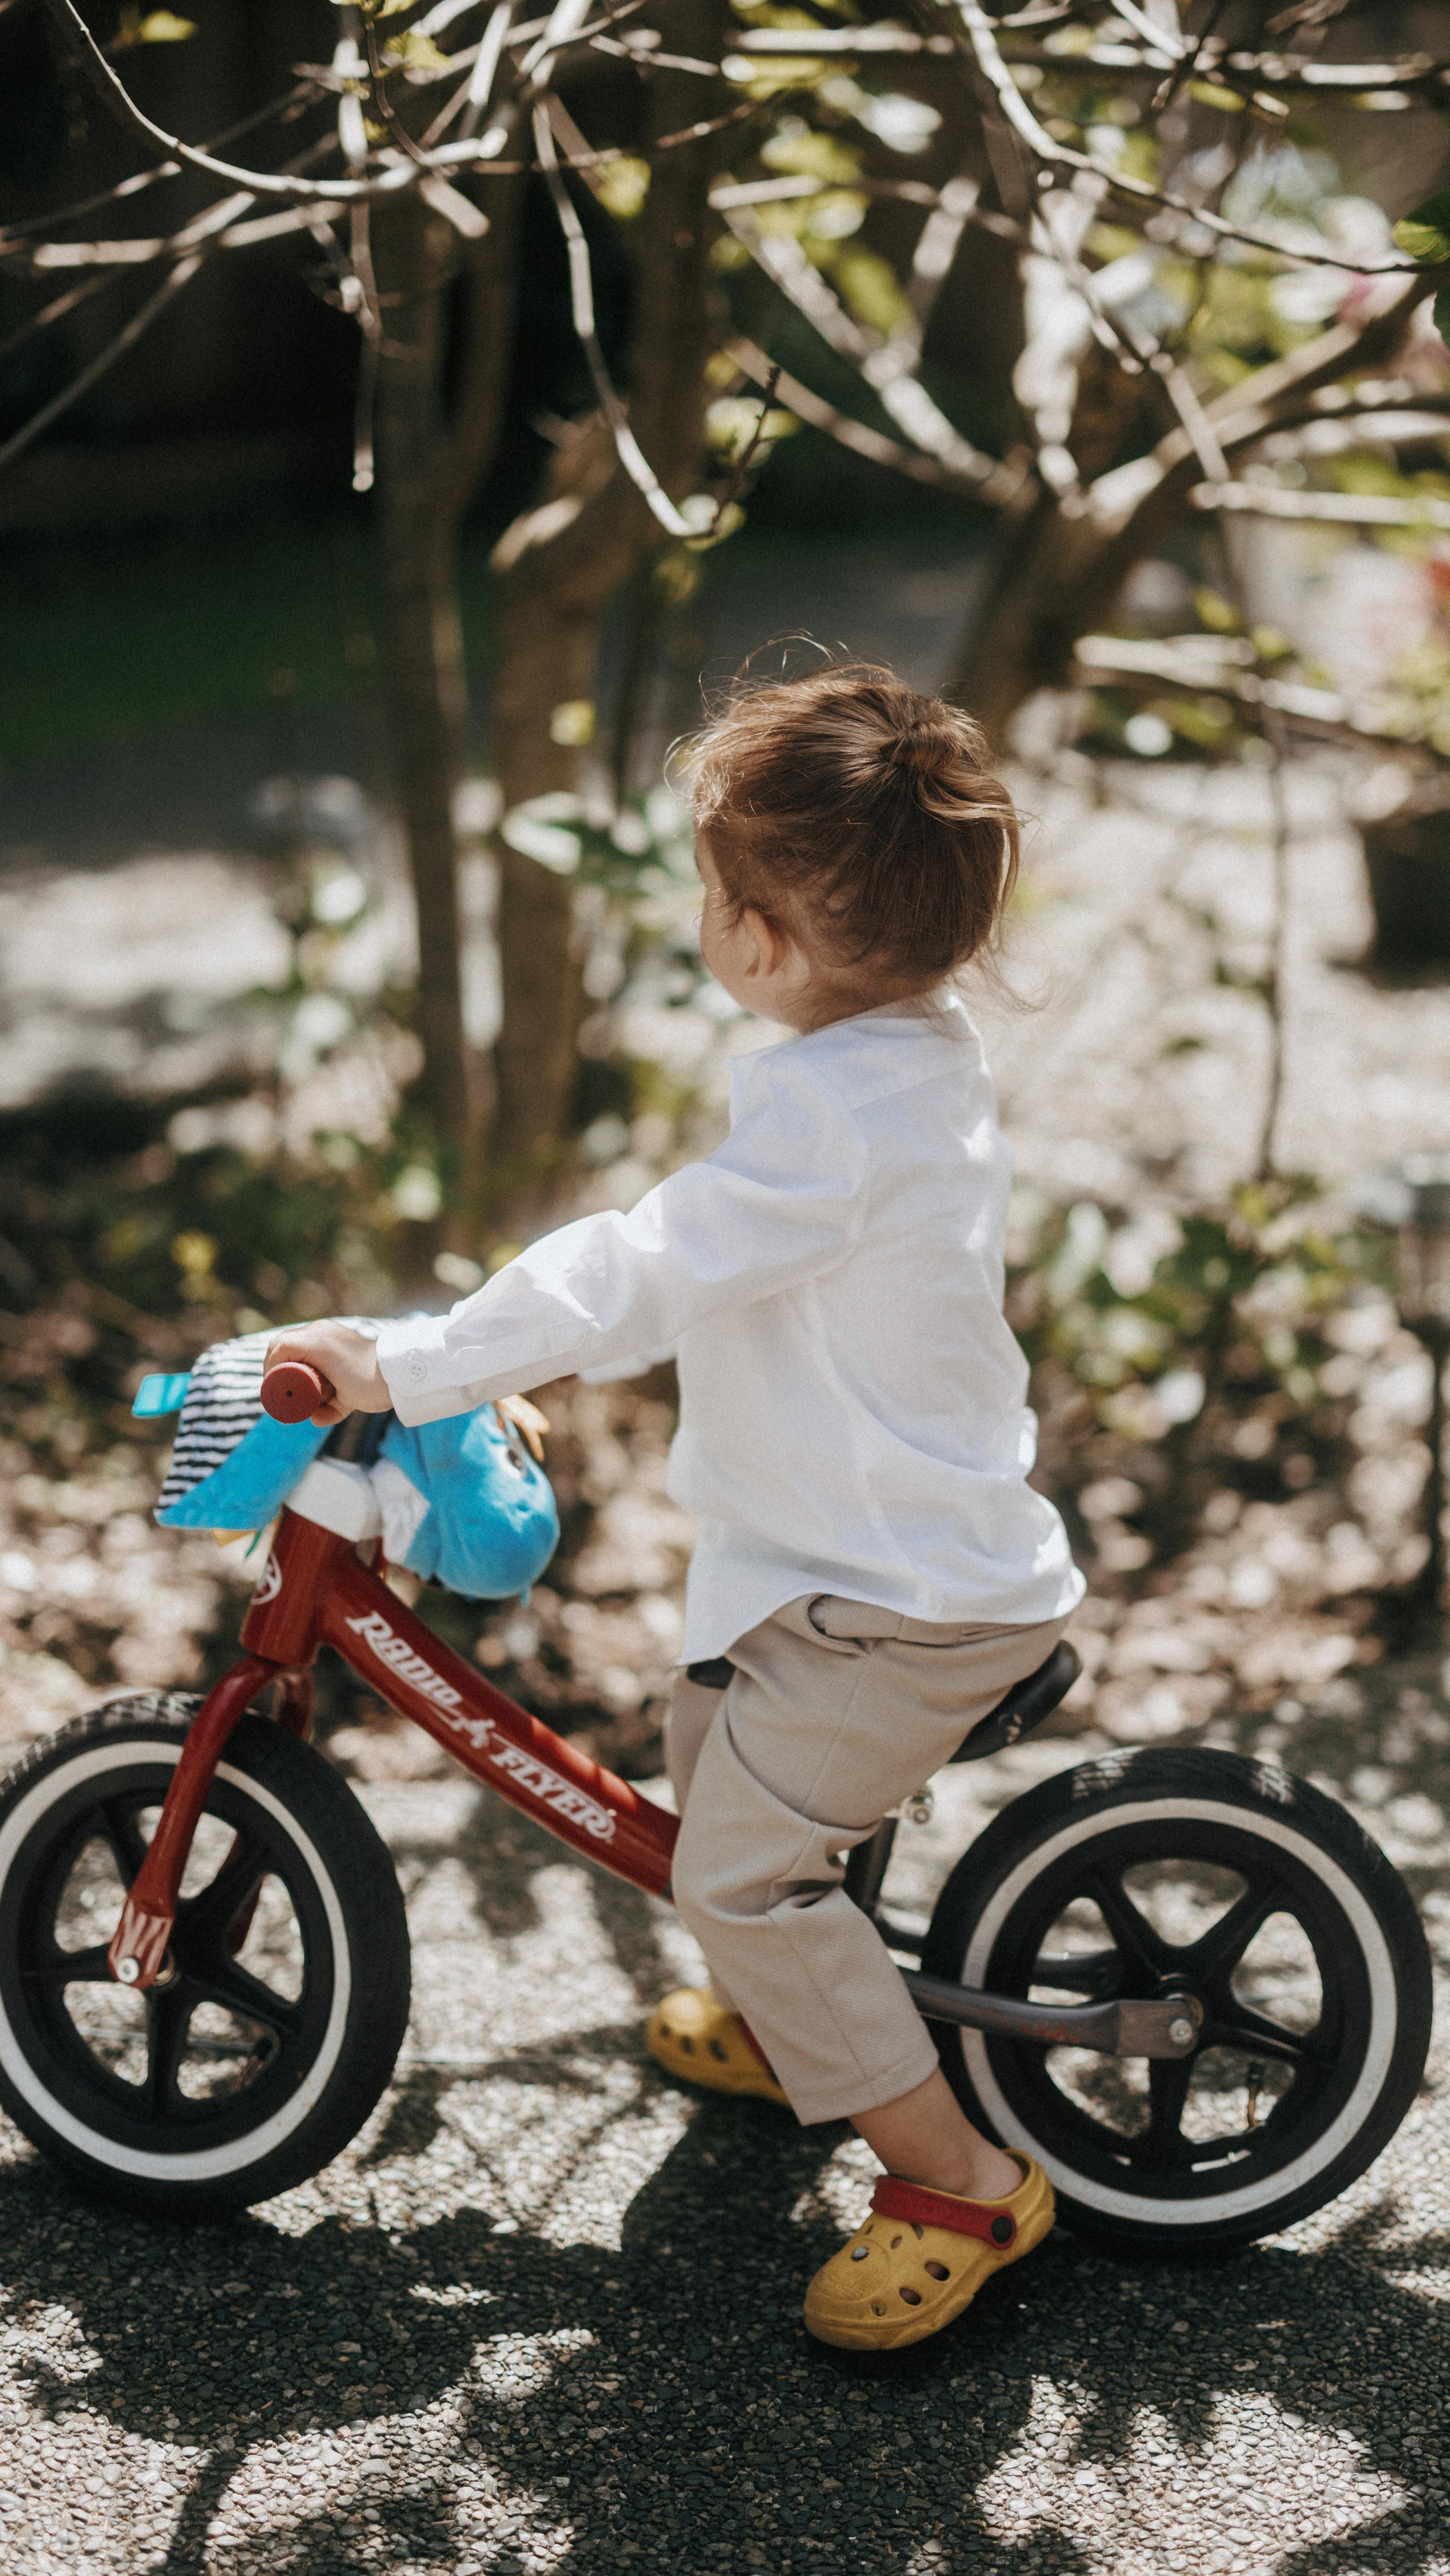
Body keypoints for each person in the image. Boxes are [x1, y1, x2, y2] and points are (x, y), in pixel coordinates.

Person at [266, 664, 1084, 2349]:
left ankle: (956, 2180)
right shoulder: (895, 1053)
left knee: (742, 1870)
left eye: (718, 897)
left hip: (903, 1599)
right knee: (705, 1749)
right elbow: (695, 1266)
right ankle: (799, 2015)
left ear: (761, 943)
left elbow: (642, 1267)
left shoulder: (833, 1119)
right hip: (838, 1561)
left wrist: (415, 1360)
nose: (707, 921)